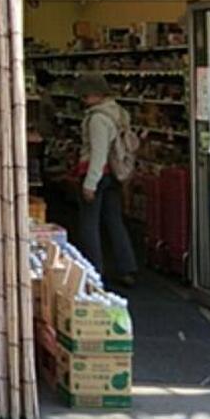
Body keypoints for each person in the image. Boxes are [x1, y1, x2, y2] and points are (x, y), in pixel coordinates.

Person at [76, 72, 138, 287]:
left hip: (97, 174)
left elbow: (98, 153)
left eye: (84, 96)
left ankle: (93, 272)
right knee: (114, 220)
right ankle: (126, 267)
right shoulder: (118, 112)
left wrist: (90, 184)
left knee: (89, 225)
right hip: (113, 173)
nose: (82, 100)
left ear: (94, 94)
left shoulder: (98, 119)